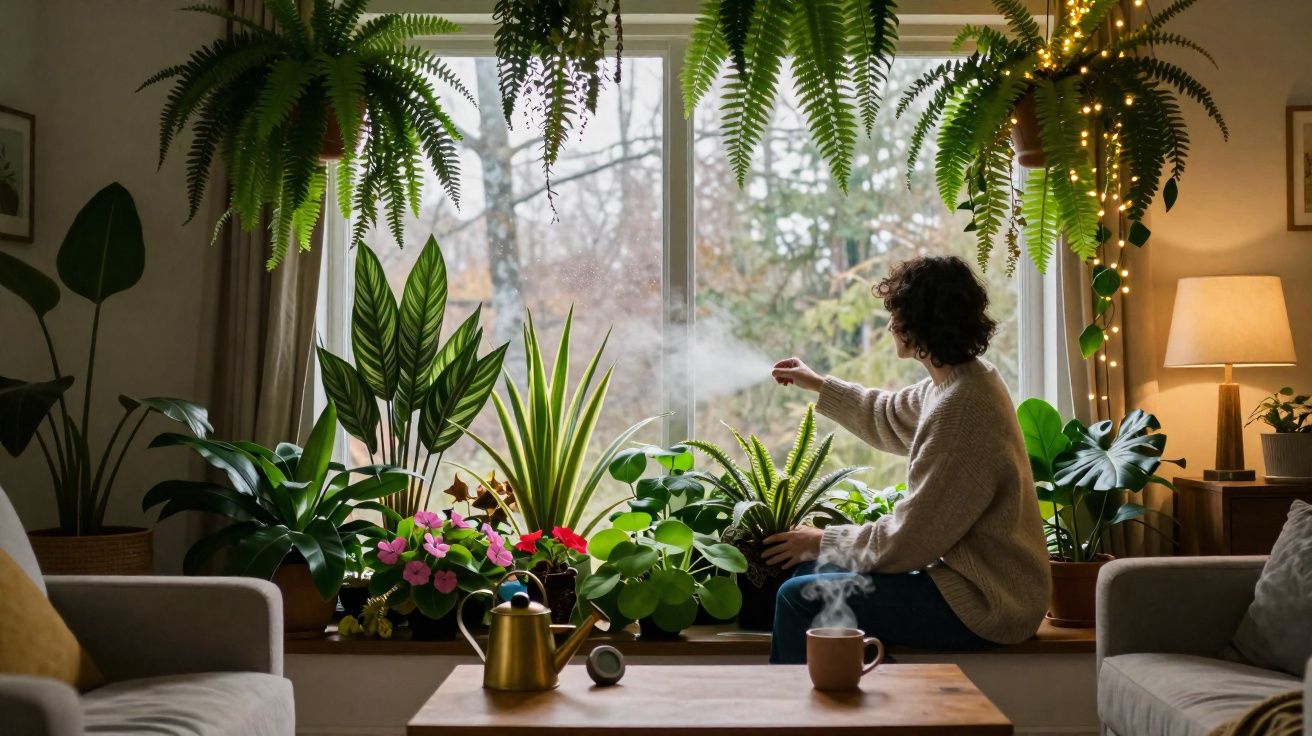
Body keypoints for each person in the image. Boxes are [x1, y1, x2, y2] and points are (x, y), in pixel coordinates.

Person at [765, 255, 1050, 664]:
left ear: (920, 323)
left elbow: (909, 539)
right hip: (964, 584)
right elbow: (887, 414)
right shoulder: (961, 380)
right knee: (806, 578)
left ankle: (800, 723)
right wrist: (817, 383)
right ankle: (865, 706)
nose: (889, 325)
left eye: (896, 315)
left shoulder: (963, 408)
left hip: (987, 603)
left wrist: (822, 540)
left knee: (799, 597)